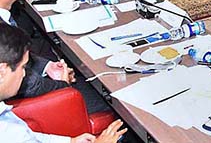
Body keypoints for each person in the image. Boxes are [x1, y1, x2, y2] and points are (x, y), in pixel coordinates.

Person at [0, 23, 128, 143]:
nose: (24, 74)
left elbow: (31, 137)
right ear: (2, 71)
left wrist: (70, 141)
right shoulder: (8, 133)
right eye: (22, 67)